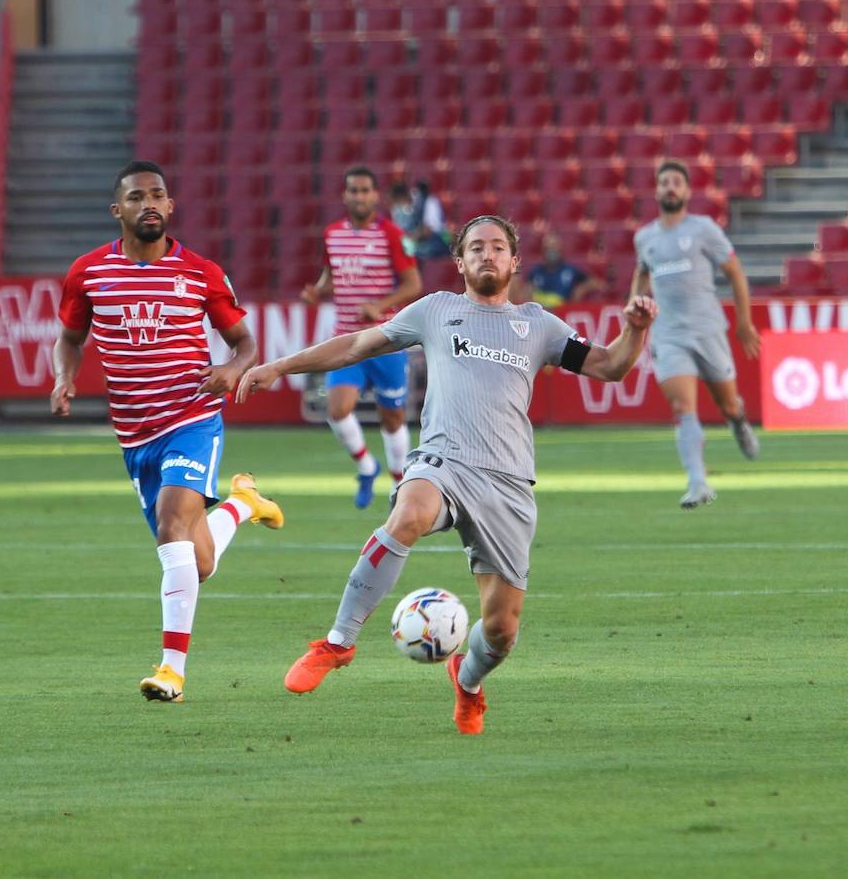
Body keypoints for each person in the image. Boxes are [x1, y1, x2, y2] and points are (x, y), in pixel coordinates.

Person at [238, 215, 658, 735]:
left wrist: (635, 330)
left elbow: (610, 366)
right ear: (459, 262)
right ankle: (338, 642)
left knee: (502, 630)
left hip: (508, 484)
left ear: (514, 261)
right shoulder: (436, 310)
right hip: (444, 461)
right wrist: (279, 366)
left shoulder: (539, 325)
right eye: (476, 247)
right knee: (409, 512)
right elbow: (356, 345)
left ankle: (468, 680)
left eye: (498, 247)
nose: (487, 255)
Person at [51, 160, 284, 703]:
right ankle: (243, 504)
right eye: (136, 197)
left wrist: (232, 369)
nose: (148, 203)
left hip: (192, 418)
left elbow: (245, 344)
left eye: (158, 194)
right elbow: (69, 336)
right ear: (119, 211)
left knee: (172, 525)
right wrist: (64, 376)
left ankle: (171, 670)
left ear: (171, 206)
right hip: (135, 437)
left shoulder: (200, 271)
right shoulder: (88, 273)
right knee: (196, 562)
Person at [630, 160, 761, 509]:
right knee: (682, 407)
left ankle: (738, 420)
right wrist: (634, 312)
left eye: (676, 182)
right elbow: (642, 276)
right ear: (656, 191)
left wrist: (744, 322)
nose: (670, 187)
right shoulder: (645, 238)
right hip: (669, 335)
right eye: (664, 182)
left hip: (708, 330)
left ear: (687, 191)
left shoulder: (704, 229)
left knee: (727, 403)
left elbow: (735, 272)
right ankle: (698, 482)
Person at [302, 167, 423, 509]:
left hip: (385, 340)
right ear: (345, 196)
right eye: (353, 190)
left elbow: (413, 284)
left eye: (365, 190)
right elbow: (332, 274)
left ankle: (400, 486)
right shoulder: (332, 234)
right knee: (337, 409)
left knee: (393, 418)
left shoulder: (392, 235)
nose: (359, 196)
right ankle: (367, 467)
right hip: (346, 341)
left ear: (375, 195)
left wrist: (380, 306)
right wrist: (318, 291)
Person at [524, 232, 603, 306]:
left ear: (559, 248)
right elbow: (524, 292)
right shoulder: (535, 272)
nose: (551, 251)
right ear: (543, 250)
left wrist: (580, 289)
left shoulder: (570, 270)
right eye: (548, 248)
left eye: (554, 247)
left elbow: (597, 283)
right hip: (542, 313)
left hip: (563, 312)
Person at [411, 179, 453, 260]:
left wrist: (414, 237)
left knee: (419, 253)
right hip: (422, 239)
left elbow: (429, 229)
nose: (415, 195)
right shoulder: (416, 204)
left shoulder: (431, 202)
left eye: (416, 193)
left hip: (436, 239)